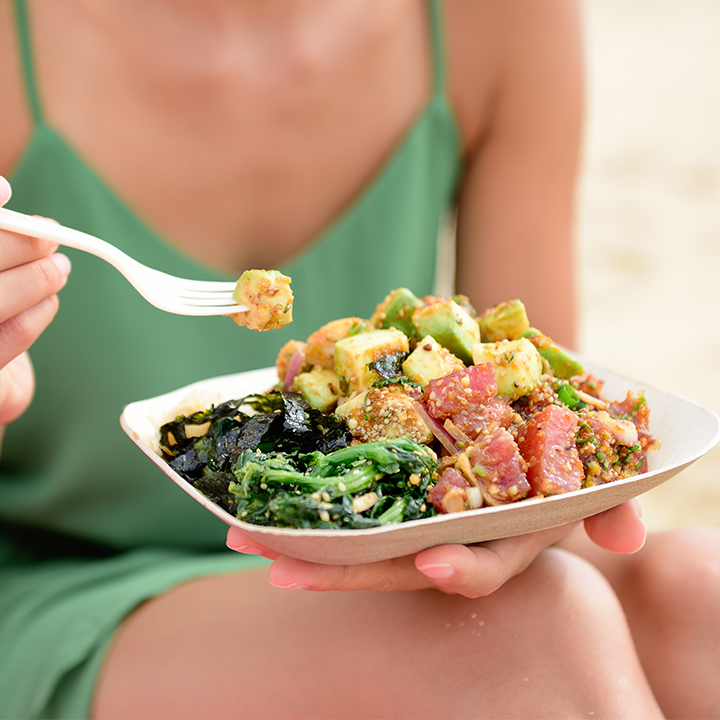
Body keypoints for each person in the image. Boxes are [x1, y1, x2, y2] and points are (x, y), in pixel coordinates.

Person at [0, 0, 718, 718]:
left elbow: (530, 396)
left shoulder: (501, 17)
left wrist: (523, 508)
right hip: (58, 585)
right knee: (539, 631)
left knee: (699, 593)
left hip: (381, 537)